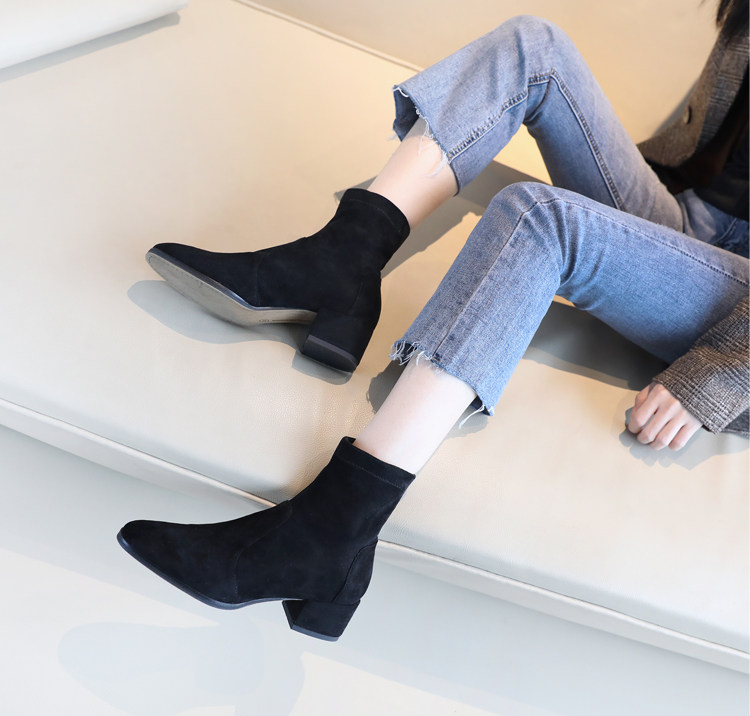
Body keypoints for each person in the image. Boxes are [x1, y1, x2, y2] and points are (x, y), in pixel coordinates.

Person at [118, 1, 749, 641]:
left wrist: (722, 373)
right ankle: (342, 261)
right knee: (534, 47)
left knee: (538, 219)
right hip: (693, 220)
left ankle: (328, 536)